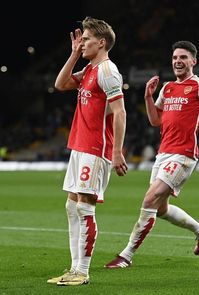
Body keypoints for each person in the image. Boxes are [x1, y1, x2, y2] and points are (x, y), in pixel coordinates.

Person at [105, 40, 199, 269]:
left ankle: (126, 255)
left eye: (183, 57)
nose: (178, 61)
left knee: (149, 199)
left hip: (183, 155)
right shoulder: (167, 88)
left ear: (193, 61)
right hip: (163, 153)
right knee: (161, 209)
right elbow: (156, 120)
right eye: (175, 58)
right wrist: (148, 96)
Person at [47, 16, 128, 285]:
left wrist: (117, 152)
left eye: (86, 40)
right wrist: (72, 55)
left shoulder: (107, 70)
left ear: (101, 42)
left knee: (84, 209)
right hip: (79, 145)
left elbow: (120, 111)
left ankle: (82, 272)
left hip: (96, 148)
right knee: (72, 206)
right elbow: (60, 84)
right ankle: (74, 268)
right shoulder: (90, 69)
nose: (82, 43)